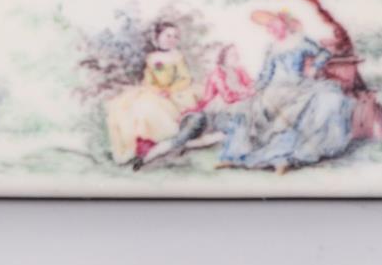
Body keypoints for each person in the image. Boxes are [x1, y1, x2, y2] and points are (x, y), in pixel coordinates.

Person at [217, 10, 354, 173]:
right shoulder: (272, 48)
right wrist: (255, 88)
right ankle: (232, 156)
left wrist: (314, 67)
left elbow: (324, 53)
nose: (269, 29)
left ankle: (280, 158)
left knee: (323, 101)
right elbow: (266, 74)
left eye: (272, 25)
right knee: (246, 108)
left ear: (284, 24)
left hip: (297, 87)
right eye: (268, 27)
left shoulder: (301, 42)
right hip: (273, 89)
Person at [106, 22, 198, 166]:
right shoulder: (151, 58)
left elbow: (185, 78)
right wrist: (156, 90)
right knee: (131, 107)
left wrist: (170, 90)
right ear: (157, 37)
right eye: (168, 35)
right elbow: (148, 81)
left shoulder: (177, 56)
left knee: (151, 108)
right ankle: (136, 146)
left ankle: (156, 144)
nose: (172, 39)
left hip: (174, 93)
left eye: (175, 36)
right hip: (155, 92)